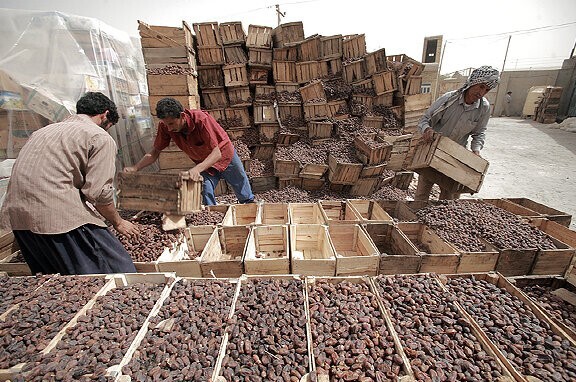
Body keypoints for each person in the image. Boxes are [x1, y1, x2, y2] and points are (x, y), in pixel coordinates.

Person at [0, 92, 139, 275]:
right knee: (118, 270)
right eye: (109, 126)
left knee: (59, 281)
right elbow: (98, 193)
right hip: (59, 219)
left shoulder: (42, 132)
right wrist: (118, 222)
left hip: (18, 220)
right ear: (105, 115)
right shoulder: (99, 136)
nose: (107, 130)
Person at [125, 97, 254, 206]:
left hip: (225, 155)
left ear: (182, 116)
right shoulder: (165, 127)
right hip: (204, 162)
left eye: (171, 123)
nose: (169, 128)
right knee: (204, 188)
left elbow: (217, 153)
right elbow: (154, 152)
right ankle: (212, 218)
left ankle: (250, 207)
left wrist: (196, 170)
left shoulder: (201, 120)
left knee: (241, 186)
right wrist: (135, 168)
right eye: (166, 124)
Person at [414, 65, 500, 201]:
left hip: (456, 156)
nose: (481, 92)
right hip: (433, 151)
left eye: (486, 90)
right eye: (481, 86)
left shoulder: (484, 108)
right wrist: (427, 130)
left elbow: (479, 133)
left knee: (449, 198)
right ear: (473, 82)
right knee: (421, 194)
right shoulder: (449, 100)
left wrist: (476, 151)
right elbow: (425, 120)